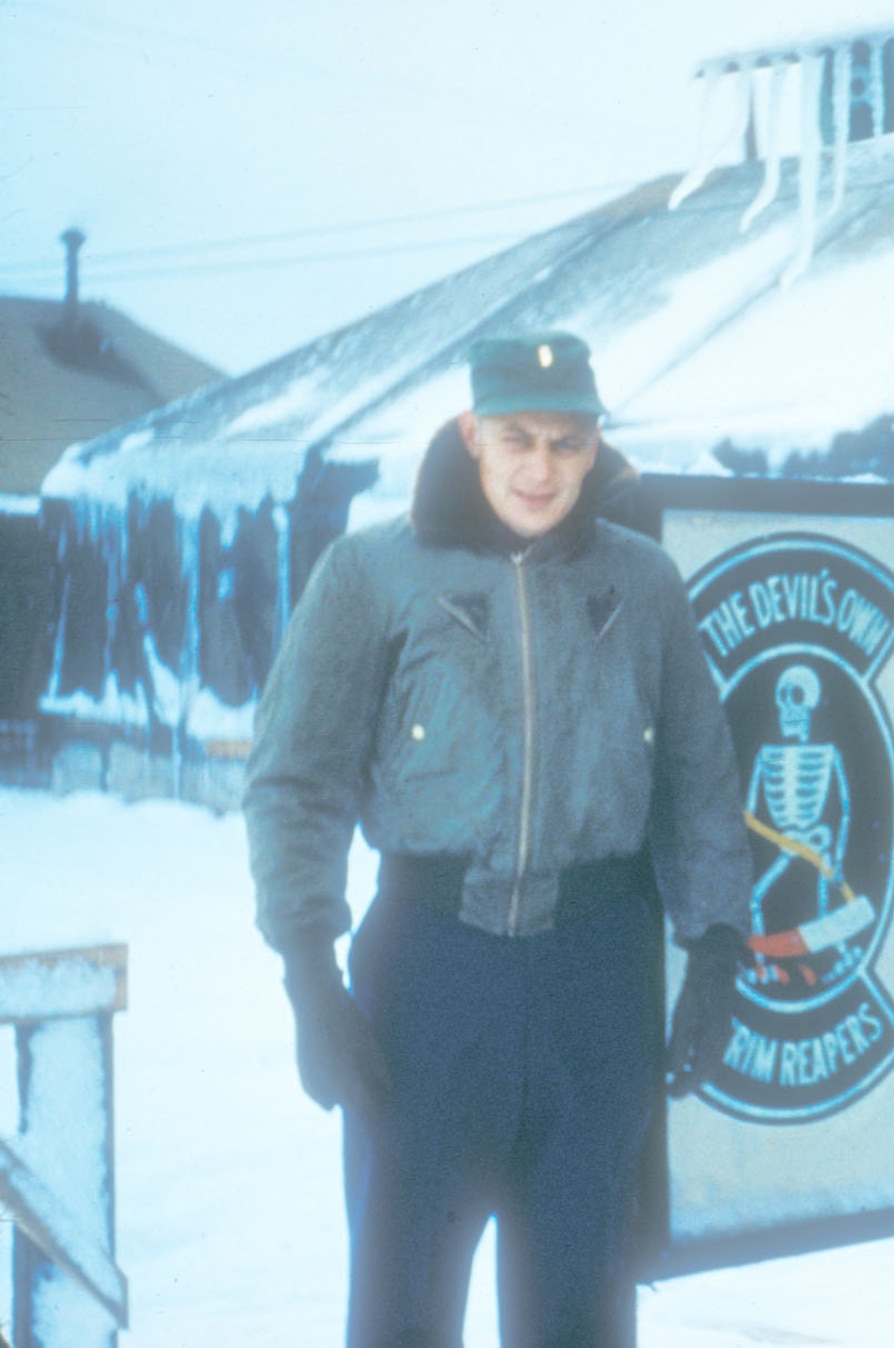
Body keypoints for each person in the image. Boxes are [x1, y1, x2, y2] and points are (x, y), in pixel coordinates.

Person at [244, 332, 753, 1347]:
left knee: (580, 1307)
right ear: (471, 432)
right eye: (516, 437)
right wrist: (308, 972)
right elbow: (295, 782)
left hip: (595, 980)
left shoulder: (643, 581)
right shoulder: (374, 571)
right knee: (402, 1309)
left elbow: (698, 776)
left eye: (566, 444)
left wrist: (716, 952)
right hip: (433, 976)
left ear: (595, 444)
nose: (539, 468)